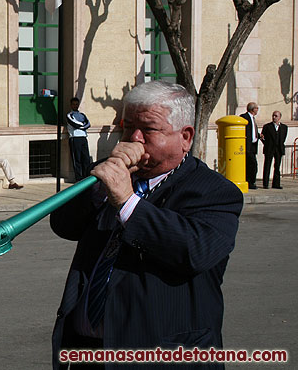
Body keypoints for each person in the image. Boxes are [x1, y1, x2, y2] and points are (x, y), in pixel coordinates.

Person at [50, 81, 243, 369]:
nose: (133, 139)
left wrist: (127, 201)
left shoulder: (214, 192)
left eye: (148, 129)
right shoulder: (110, 173)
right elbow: (64, 224)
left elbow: (194, 251)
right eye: (128, 128)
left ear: (185, 137)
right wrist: (99, 191)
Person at [260, 111, 288, 189]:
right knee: (267, 165)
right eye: (273, 116)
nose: (274, 117)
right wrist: (266, 144)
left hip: (278, 149)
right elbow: (262, 137)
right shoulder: (267, 126)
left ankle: (276, 184)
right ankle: (265, 184)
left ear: (279, 117)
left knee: (277, 166)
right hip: (269, 148)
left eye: (276, 116)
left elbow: (283, 138)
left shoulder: (284, 127)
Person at [67, 97, 91, 181]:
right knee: (77, 159)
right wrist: (83, 126)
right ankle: (78, 178)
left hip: (83, 138)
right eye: (73, 104)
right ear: (71, 105)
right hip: (75, 138)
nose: (75, 106)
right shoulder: (69, 115)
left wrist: (83, 126)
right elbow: (75, 124)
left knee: (86, 158)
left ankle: (86, 177)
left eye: (76, 104)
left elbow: (88, 124)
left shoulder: (82, 115)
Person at [240, 102, 260, 189]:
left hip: (253, 145)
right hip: (247, 146)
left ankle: (250, 182)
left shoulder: (253, 118)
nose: (257, 110)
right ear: (253, 109)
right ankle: (250, 182)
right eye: (257, 108)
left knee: (251, 164)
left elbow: (252, 131)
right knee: (252, 165)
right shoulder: (244, 117)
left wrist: (258, 135)